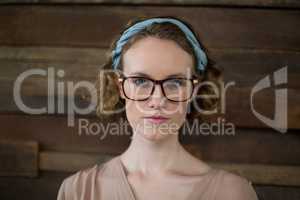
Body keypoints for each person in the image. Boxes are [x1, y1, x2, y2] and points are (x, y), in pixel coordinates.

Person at [57, 16, 259, 200]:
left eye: (176, 83)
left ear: (194, 89)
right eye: (140, 81)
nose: (157, 100)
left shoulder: (233, 194)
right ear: (120, 86)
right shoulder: (77, 191)